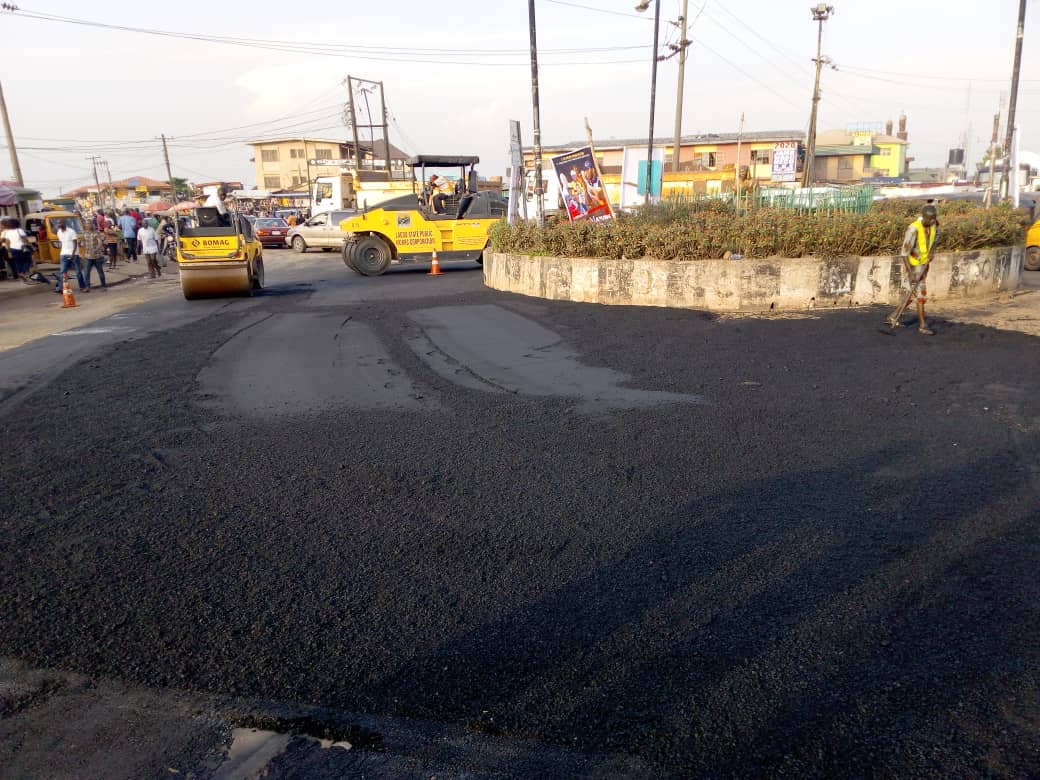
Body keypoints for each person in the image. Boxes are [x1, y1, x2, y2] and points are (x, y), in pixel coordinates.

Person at [888, 204, 939, 335]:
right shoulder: (913, 229)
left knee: (911, 294)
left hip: (924, 265)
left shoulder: (934, 225)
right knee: (921, 295)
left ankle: (893, 316)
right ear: (924, 217)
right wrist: (910, 273)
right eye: (930, 219)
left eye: (934, 218)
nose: (932, 221)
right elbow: (904, 253)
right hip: (913, 267)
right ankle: (923, 325)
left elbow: (936, 239)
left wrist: (932, 252)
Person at [54, 219, 87, 293]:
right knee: (63, 272)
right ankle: (61, 287)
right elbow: (62, 243)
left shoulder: (71, 231)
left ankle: (82, 287)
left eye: (60, 223)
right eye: (58, 224)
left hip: (74, 254)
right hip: (63, 253)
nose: (58, 225)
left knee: (78, 271)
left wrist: (73, 254)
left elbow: (75, 243)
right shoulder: (59, 232)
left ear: (64, 223)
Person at [1, 217, 32, 282]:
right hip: (21, 248)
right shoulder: (19, 230)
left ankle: (20, 273)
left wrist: (9, 251)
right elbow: (25, 240)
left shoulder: (8, 232)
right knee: (28, 261)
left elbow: (7, 242)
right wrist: (30, 245)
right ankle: (23, 272)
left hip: (13, 249)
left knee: (18, 262)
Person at [80, 219, 108, 291]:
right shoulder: (84, 233)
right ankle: (87, 287)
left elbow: (100, 242)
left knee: (100, 271)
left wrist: (96, 249)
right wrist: (83, 251)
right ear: (85, 225)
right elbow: (82, 243)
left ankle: (103, 286)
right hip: (88, 256)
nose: (88, 225)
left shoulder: (96, 233)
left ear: (92, 225)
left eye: (89, 223)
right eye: (86, 223)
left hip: (97, 256)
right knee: (86, 272)